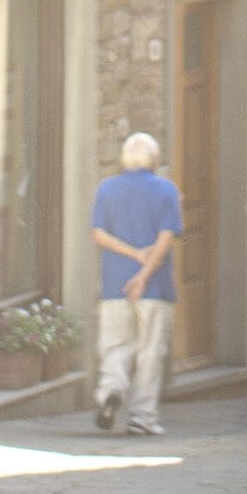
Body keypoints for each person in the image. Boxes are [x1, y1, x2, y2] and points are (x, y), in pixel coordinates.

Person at [90, 131, 181, 437]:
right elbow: (166, 237)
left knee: (115, 345)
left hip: (114, 284)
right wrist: (143, 275)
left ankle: (110, 392)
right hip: (154, 288)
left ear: (123, 160)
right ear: (154, 160)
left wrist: (130, 255)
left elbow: (98, 234)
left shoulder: (106, 189)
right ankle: (142, 416)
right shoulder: (166, 190)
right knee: (150, 351)